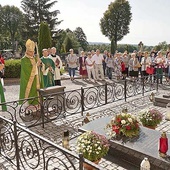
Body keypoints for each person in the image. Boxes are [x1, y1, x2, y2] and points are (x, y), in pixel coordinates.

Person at [19, 39, 43, 105]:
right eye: (31, 52)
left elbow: (40, 66)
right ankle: (30, 106)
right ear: (27, 51)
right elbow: (27, 70)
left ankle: (38, 104)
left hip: (36, 78)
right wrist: (36, 65)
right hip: (29, 80)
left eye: (33, 51)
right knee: (31, 93)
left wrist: (40, 63)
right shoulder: (24, 59)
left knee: (37, 91)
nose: (33, 53)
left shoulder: (34, 57)